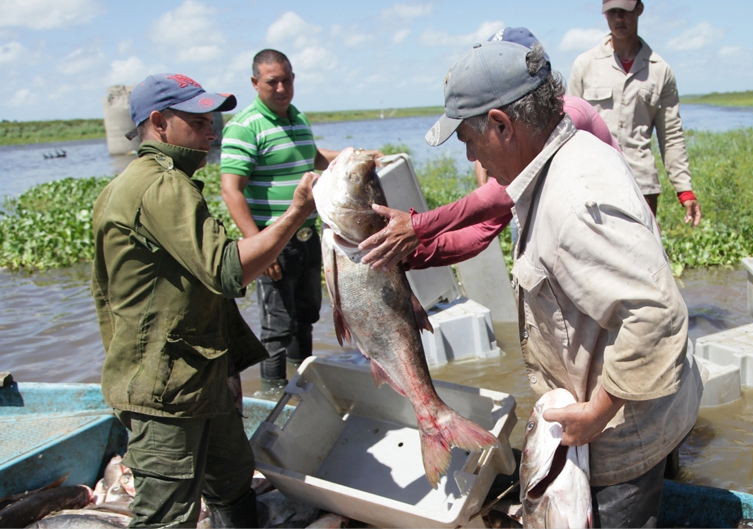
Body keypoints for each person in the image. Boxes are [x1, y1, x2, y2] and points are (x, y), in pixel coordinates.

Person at [421, 40, 703, 527]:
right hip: (630, 412)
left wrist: (597, 411)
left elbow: (654, 314)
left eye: (467, 137)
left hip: (622, 428)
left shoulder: (574, 201)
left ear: (502, 125)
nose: (468, 152)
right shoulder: (566, 154)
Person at [92, 73, 318, 527]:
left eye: (211, 120)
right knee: (165, 517)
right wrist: (296, 213)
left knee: (233, 489)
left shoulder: (156, 181)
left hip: (199, 375)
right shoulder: (158, 185)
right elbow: (228, 269)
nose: (212, 131)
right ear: (158, 123)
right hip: (165, 390)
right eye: (197, 121)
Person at [359, 27, 624, 272]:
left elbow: (498, 196)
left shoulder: (567, 117)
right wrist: (407, 252)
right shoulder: (520, 155)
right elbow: (479, 233)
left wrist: (420, 225)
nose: (471, 156)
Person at [220, 49, 381, 396]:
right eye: (272, 82)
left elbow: (313, 157)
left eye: (287, 79)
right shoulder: (245, 126)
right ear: (255, 83)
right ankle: (274, 396)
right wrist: (257, 245)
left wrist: (358, 157)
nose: (281, 88)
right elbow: (231, 190)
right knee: (277, 329)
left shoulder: (296, 117)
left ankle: (300, 389)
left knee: (306, 317)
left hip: (309, 238)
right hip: (273, 239)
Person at [569, 0, 703, 226]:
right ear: (604, 15)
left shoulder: (660, 70)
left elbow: (670, 135)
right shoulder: (585, 65)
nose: (618, 18)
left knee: (642, 256)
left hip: (641, 184)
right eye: (612, 12)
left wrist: (684, 189)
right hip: (592, 181)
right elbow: (567, 129)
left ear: (639, 9)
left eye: (625, 12)